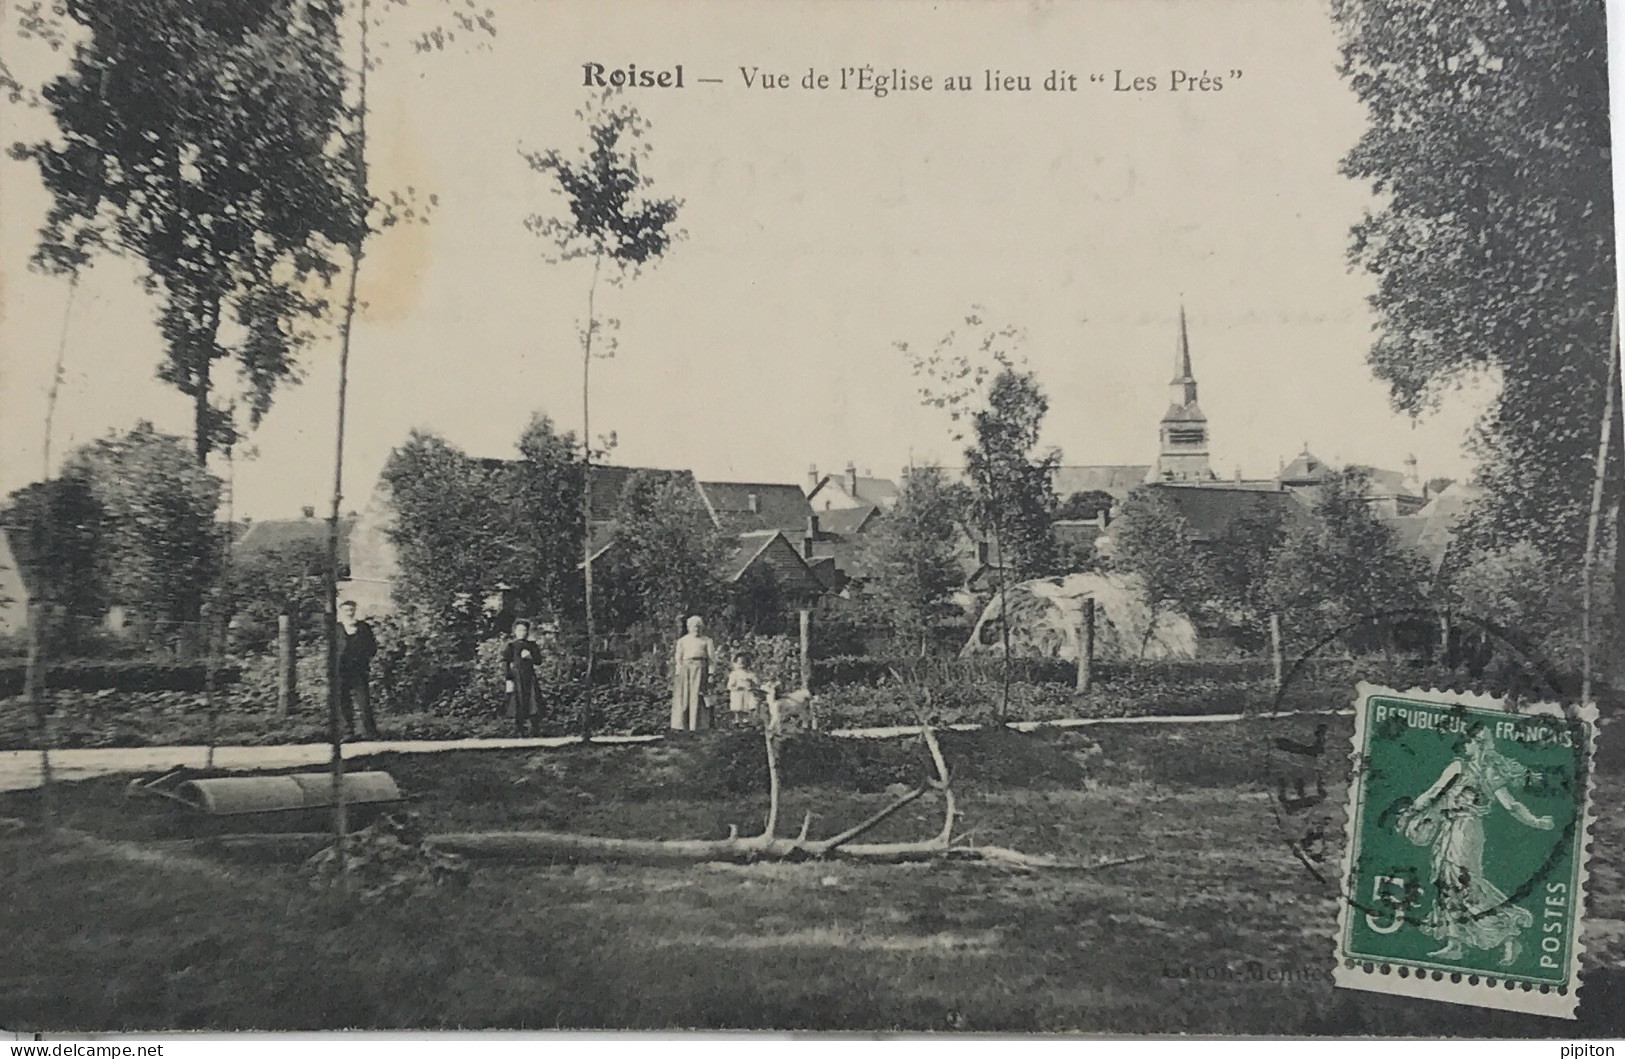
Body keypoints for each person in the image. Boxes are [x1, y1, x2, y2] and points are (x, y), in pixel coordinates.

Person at [1396, 725, 1553, 966]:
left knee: (1463, 883)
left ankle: (1508, 933)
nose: (1464, 746)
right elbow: (1511, 806)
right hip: (1456, 829)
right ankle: (1455, 943)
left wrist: (1411, 812)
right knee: (1447, 882)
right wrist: (1536, 821)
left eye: (1467, 741)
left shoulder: (1466, 768)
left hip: (1463, 831)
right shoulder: (1485, 771)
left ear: (1475, 744)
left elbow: (1434, 793)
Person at [336, 600, 379, 739]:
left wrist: (364, 657)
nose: (349, 612)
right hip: (341, 669)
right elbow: (331, 648)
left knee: (364, 700)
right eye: (346, 610)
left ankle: (370, 732)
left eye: (352, 609)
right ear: (341, 611)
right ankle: (348, 733)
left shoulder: (363, 627)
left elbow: (372, 646)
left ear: (355, 610)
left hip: (359, 668)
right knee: (343, 701)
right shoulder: (336, 628)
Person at [670, 615, 718, 731]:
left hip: (700, 669)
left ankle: (698, 725)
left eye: (698, 626)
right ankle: (682, 725)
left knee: (699, 696)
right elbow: (678, 658)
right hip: (685, 670)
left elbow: (712, 659)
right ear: (689, 627)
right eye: (694, 626)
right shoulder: (683, 641)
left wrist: (711, 674)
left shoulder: (706, 641)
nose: (696, 628)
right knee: (684, 697)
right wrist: (678, 672)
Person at [502, 618, 546, 737]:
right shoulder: (511, 646)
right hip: (517, 677)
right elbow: (506, 663)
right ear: (515, 631)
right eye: (520, 630)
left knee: (533, 702)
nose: (522, 632)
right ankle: (520, 731)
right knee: (518, 703)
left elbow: (539, 661)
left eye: (525, 630)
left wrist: (530, 656)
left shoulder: (532, 645)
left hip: (529, 677)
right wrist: (508, 680)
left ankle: (534, 731)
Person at [727, 653, 758, 725]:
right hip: (737, 693)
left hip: (747, 692)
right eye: (740, 662)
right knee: (738, 707)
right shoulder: (734, 674)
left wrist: (752, 682)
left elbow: (756, 682)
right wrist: (736, 687)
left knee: (746, 707)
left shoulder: (749, 673)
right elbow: (730, 685)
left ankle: (746, 720)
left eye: (744, 662)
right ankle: (737, 720)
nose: (742, 664)